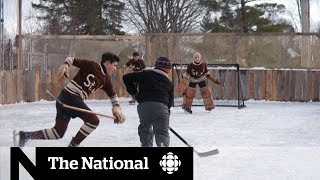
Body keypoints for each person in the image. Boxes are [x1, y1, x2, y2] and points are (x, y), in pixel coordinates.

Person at [15, 52, 126, 147]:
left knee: (58, 133)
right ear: (107, 63)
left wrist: (117, 109)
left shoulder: (106, 80)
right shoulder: (92, 65)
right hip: (70, 97)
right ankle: (73, 146)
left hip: (65, 99)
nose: (115, 69)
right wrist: (65, 65)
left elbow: (113, 95)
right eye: (115, 65)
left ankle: (24, 136)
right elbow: (71, 59)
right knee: (93, 121)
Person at [123, 56, 174, 147]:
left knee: (145, 130)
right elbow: (170, 103)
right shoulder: (168, 83)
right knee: (161, 133)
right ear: (168, 69)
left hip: (144, 107)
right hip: (161, 108)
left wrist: (134, 93)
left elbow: (126, 78)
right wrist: (165, 119)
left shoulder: (146, 73)